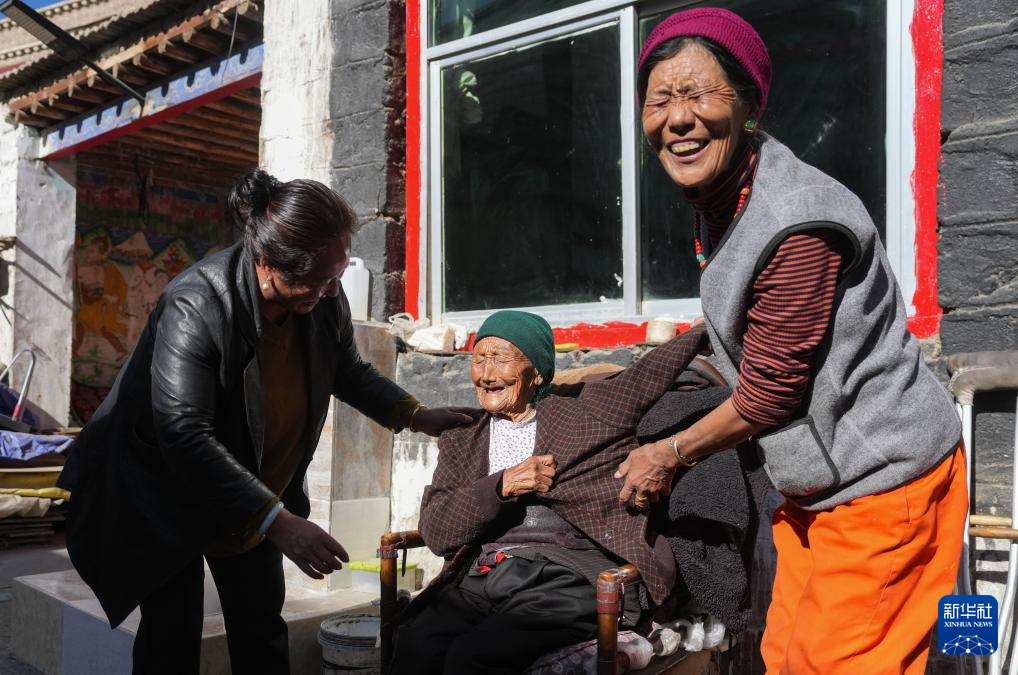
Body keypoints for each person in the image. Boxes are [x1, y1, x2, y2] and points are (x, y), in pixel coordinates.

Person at [615, 8, 966, 674]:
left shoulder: (794, 222)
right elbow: (757, 331)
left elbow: (770, 394)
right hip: (816, 490)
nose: (677, 118)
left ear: (750, 107)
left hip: (883, 482)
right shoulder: (727, 196)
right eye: (659, 100)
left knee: (841, 664)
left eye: (699, 94)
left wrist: (669, 453)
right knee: (784, 657)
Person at [57, 170, 473, 675]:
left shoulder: (323, 298)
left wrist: (416, 415)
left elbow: (346, 370)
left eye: (336, 277)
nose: (331, 291)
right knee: (172, 636)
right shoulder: (199, 302)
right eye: (317, 279)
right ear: (269, 264)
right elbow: (182, 431)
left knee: (260, 630)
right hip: (165, 493)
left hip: (251, 492)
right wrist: (278, 522)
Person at [391, 311, 724, 674]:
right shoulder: (462, 438)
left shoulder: (585, 414)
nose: (486, 374)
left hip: (567, 575)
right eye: (479, 359)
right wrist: (500, 485)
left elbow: (644, 377)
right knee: (415, 646)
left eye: (500, 359)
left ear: (536, 373)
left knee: (474, 655)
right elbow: (436, 531)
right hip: (483, 573)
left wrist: (701, 334)